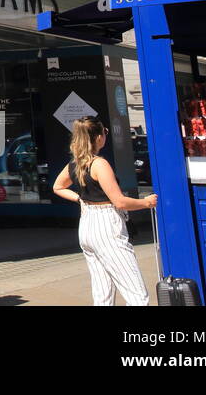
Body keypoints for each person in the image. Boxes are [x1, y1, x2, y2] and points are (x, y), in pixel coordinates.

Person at [53, 116, 157, 306]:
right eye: (105, 132)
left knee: (102, 293)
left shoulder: (75, 164)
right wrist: (146, 202)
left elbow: (57, 187)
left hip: (87, 226)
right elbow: (120, 201)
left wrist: (80, 199)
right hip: (107, 226)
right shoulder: (99, 164)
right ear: (99, 137)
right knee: (136, 294)